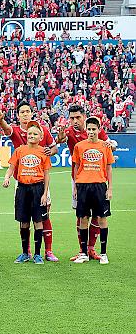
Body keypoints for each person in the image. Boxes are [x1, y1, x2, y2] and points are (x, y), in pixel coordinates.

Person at [0, 102, 59, 262]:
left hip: (39, 183)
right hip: (21, 182)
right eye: (21, 111)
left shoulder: (42, 129)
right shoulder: (15, 131)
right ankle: (27, 251)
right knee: (23, 218)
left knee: (44, 215)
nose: (24, 114)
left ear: (31, 113)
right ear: (18, 115)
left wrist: (51, 151)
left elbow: (54, 148)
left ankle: (47, 251)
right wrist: (1, 120)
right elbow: (6, 129)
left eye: (27, 111)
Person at [55, 104, 115, 261]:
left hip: (97, 180)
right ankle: (82, 250)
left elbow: (111, 144)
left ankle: (91, 249)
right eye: (72, 118)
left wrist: (111, 145)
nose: (75, 121)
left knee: (98, 216)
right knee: (81, 215)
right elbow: (60, 140)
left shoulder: (96, 129)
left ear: (84, 116)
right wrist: (60, 137)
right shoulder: (68, 131)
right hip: (79, 180)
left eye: (78, 118)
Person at [2, 121, 52, 265]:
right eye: (29, 133)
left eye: (35, 134)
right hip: (22, 188)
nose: (32, 136)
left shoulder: (43, 152)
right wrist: (7, 177)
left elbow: (47, 174)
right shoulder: (20, 150)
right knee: (24, 222)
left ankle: (37, 254)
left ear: (41, 137)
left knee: (38, 221)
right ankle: (25, 253)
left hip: (38, 188)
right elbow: (11, 167)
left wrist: (45, 193)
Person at [71, 117, 114, 265]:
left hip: (99, 186)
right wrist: (76, 186)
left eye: (93, 129)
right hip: (83, 185)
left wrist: (110, 188)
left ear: (99, 129)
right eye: (88, 129)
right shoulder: (79, 146)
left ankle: (103, 253)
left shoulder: (105, 146)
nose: (91, 132)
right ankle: (83, 253)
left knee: (102, 219)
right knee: (83, 218)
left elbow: (109, 167)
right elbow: (76, 166)